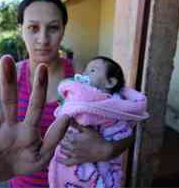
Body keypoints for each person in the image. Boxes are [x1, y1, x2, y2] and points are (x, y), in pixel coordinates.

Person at [0, 0, 135, 187]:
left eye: (53, 28)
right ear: (21, 29)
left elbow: (127, 127)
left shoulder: (86, 78)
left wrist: (107, 149)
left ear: (63, 30)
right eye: (33, 28)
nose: (43, 39)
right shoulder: (5, 81)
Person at [48, 56, 149, 188]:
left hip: (97, 163)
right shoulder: (77, 92)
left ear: (110, 82)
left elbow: (125, 133)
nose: (84, 74)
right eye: (85, 70)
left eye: (93, 70)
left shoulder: (115, 106)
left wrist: (107, 149)